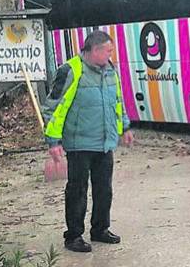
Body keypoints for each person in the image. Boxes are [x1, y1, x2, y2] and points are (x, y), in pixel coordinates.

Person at [43, 30, 134, 252]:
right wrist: (53, 142)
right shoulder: (71, 70)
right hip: (79, 144)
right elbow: (53, 108)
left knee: (104, 189)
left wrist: (125, 128)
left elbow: (117, 101)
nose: (111, 55)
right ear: (95, 50)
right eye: (108, 51)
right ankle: (73, 236)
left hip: (104, 143)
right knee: (77, 190)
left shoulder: (110, 70)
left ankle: (100, 229)